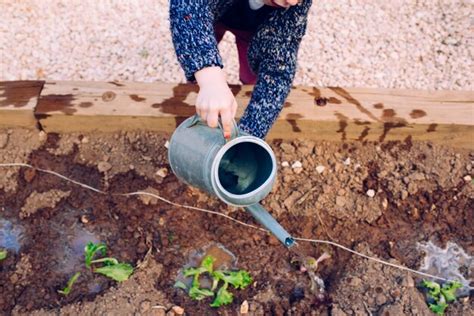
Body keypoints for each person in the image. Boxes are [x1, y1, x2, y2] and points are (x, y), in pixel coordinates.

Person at [169, 0, 312, 139]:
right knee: (198, 53)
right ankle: (201, 94)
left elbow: (277, 69)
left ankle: (246, 85)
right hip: (210, 15)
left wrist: (248, 134)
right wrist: (209, 80)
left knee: (251, 75)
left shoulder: (294, 5)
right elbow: (188, 8)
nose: (292, 2)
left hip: (254, 28)